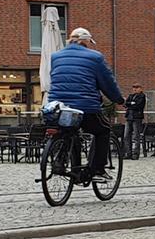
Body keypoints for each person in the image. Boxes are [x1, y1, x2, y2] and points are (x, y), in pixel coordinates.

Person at [46, 26, 123, 181]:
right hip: (85, 107)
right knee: (103, 130)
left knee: (69, 131)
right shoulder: (95, 57)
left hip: (57, 107)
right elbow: (107, 82)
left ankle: (62, 162)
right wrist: (119, 100)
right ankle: (97, 169)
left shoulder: (55, 56)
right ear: (85, 41)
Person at [123, 87, 146, 155]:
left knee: (136, 136)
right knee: (126, 135)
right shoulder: (131, 96)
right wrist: (131, 103)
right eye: (134, 88)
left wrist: (129, 105)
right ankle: (128, 153)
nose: (135, 89)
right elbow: (125, 104)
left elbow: (138, 106)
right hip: (129, 117)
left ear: (141, 89)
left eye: (137, 88)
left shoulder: (142, 96)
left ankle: (136, 153)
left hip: (137, 117)